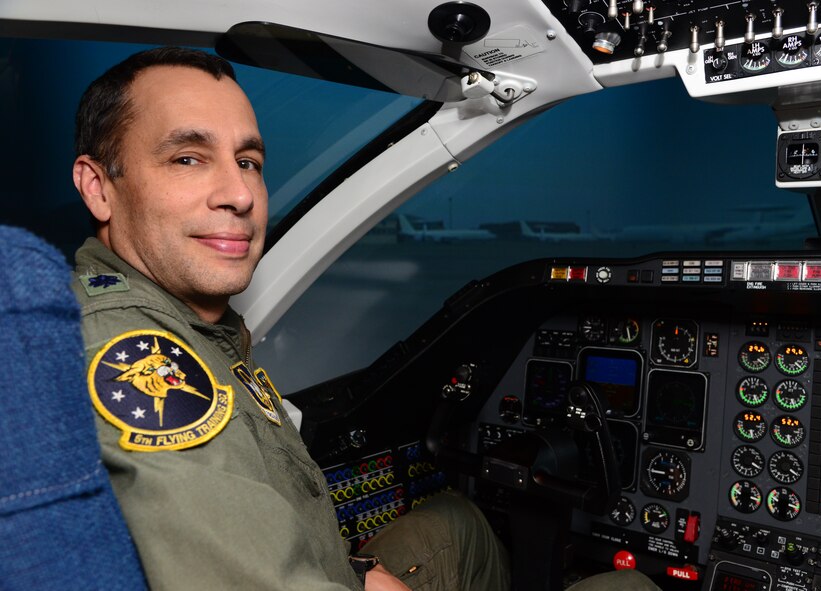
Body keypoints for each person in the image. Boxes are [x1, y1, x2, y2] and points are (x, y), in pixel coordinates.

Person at [71, 47, 659, 591]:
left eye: (247, 161)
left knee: (458, 522)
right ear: (99, 188)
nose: (240, 194)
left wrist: (357, 567)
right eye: (188, 157)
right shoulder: (137, 355)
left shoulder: (191, 325)